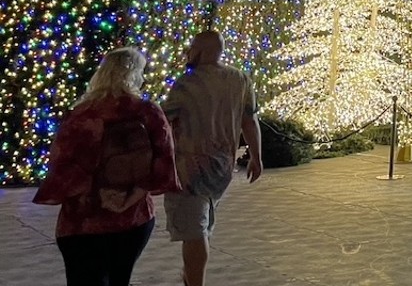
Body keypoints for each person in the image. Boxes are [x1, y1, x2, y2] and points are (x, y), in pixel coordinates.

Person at [34, 47, 181, 286]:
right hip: (132, 219)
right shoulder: (147, 111)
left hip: (81, 223)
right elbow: (164, 162)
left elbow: (60, 167)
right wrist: (129, 197)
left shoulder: (79, 115)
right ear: (134, 74)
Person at [164, 31, 263, 286]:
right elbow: (249, 120)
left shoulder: (188, 83)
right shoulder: (240, 79)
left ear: (205, 51)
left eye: (193, 48)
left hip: (189, 168)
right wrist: (256, 156)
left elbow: (163, 119)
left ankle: (194, 280)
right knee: (203, 224)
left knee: (195, 231)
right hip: (222, 167)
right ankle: (191, 277)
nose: (188, 52)